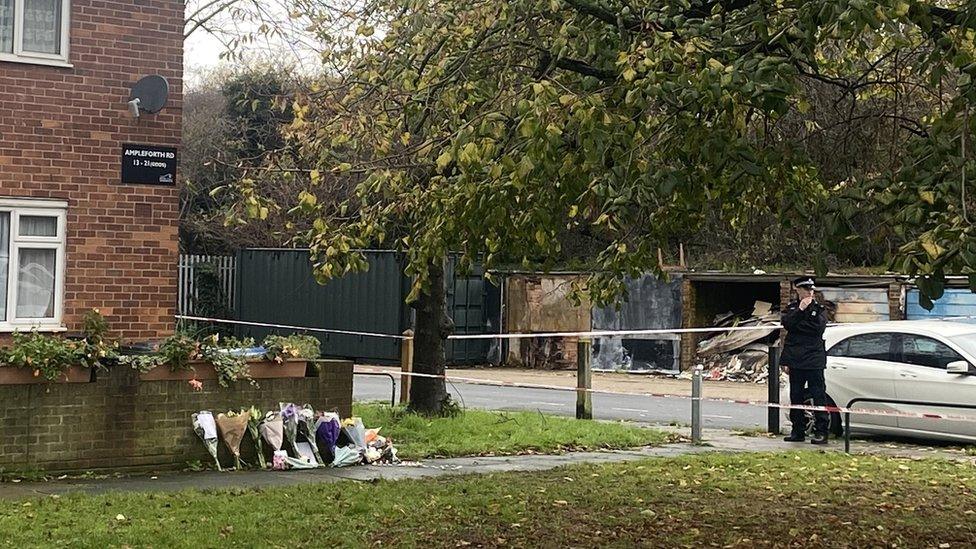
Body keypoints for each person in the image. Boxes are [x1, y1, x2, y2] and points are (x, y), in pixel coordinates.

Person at [781, 276, 830, 444]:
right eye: (806, 289)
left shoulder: (819, 309)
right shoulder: (793, 308)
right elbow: (787, 324)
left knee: (818, 395)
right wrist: (800, 311)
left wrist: (800, 323)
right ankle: (798, 430)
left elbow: (817, 329)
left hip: (814, 358)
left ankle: (822, 431)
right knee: (796, 395)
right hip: (795, 358)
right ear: (798, 290)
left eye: (812, 289)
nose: (810, 292)